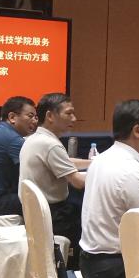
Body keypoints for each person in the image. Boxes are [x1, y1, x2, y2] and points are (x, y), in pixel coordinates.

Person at [80, 100, 139, 278]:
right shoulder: (131, 171)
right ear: (138, 130)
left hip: (90, 262)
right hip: (113, 269)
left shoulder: (102, 158)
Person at [19, 93, 86, 254]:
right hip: (54, 216)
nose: (74, 118)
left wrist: (94, 163)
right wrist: (102, 174)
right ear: (50, 116)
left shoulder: (34, 138)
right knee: (89, 220)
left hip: (36, 212)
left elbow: (65, 162)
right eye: (69, 113)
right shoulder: (50, 145)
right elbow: (78, 182)